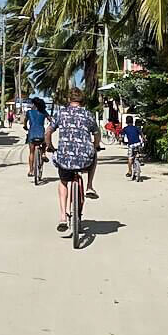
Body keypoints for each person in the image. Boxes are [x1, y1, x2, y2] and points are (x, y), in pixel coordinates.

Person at [45, 87, 100, 233]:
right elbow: (97, 133)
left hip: (65, 157)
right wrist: (95, 145)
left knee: (63, 182)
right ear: (82, 100)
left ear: (69, 99)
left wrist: (50, 146)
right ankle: (89, 186)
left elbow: (48, 131)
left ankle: (63, 217)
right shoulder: (88, 114)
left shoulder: (61, 113)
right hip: (84, 158)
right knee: (94, 154)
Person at [24, 97, 48, 177]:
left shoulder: (29, 112)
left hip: (32, 134)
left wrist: (25, 126)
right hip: (41, 133)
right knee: (44, 141)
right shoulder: (43, 112)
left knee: (31, 152)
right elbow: (51, 120)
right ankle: (44, 153)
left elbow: (25, 121)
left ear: (34, 104)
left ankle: (31, 171)